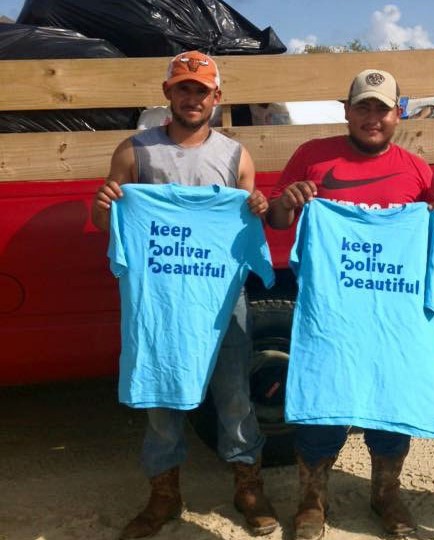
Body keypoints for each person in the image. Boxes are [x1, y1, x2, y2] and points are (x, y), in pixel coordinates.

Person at [91, 50, 278, 539]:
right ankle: (164, 494)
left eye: (202, 90)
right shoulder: (135, 152)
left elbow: (248, 223)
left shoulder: (235, 156)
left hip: (222, 305)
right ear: (168, 93)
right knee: (161, 399)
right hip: (160, 307)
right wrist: (104, 204)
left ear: (217, 97)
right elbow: (107, 224)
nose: (192, 98)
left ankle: (248, 487)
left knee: (234, 396)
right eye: (183, 89)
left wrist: (257, 206)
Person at [266, 68, 434, 539]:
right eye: (363, 107)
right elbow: (277, 219)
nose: (373, 117)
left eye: (382, 109)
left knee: (392, 401)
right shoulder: (312, 156)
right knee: (323, 402)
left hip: (393, 317)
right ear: (347, 111)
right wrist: (287, 201)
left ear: (397, 114)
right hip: (331, 315)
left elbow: (430, 238)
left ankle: (386, 494)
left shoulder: (416, 169)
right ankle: (312, 500)